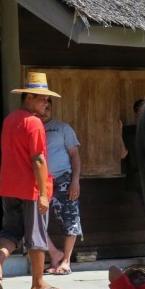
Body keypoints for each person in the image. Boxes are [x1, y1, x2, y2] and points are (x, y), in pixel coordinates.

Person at [0, 72, 61, 289]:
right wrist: (44, 194)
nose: (46, 103)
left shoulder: (10, 119)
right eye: (41, 98)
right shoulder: (34, 123)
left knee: (10, 231)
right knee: (36, 235)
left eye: (47, 99)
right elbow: (38, 159)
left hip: (9, 186)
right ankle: (37, 283)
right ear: (28, 98)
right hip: (31, 188)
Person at [37, 99, 82, 275]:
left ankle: (66, 261)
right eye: (43, 107)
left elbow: (75, 156)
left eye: (49, 107)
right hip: (39, 181)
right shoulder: (31, 126)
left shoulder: (62, 128)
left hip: (63, 179)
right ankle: (55, 254)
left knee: (70, 219)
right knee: (35, 221)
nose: (45, 110)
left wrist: (75, 180)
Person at [119, 98, 145, 264]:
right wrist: (118, 132)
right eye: (141, 111)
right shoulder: (129, 131)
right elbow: (122, 154)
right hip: (140, 178)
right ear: (135, 114)